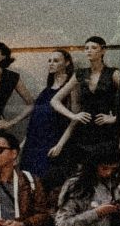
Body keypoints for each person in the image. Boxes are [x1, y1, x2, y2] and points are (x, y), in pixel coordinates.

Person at [55, 36, 120, 158]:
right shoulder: (80, 73)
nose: (89, 51)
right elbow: (55, 100)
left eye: (94, 47)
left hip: (105, 131)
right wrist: (73, 115)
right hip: (83, 130)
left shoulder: (113, 73)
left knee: (102, 162)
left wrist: (115, 118)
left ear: (103, 50)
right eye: (86, 48)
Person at [20, 50, 77, 183]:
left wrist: (60, 144)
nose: (51, 63)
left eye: (56, 61)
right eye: (49, 60)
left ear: (67, 63)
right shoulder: (46, 90)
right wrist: (23, 143)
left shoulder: (71, 88)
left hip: (53, 140)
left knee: (46, 179)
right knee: (29, 180)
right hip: (34, 143)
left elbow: (74, 119)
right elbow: (35, 119)